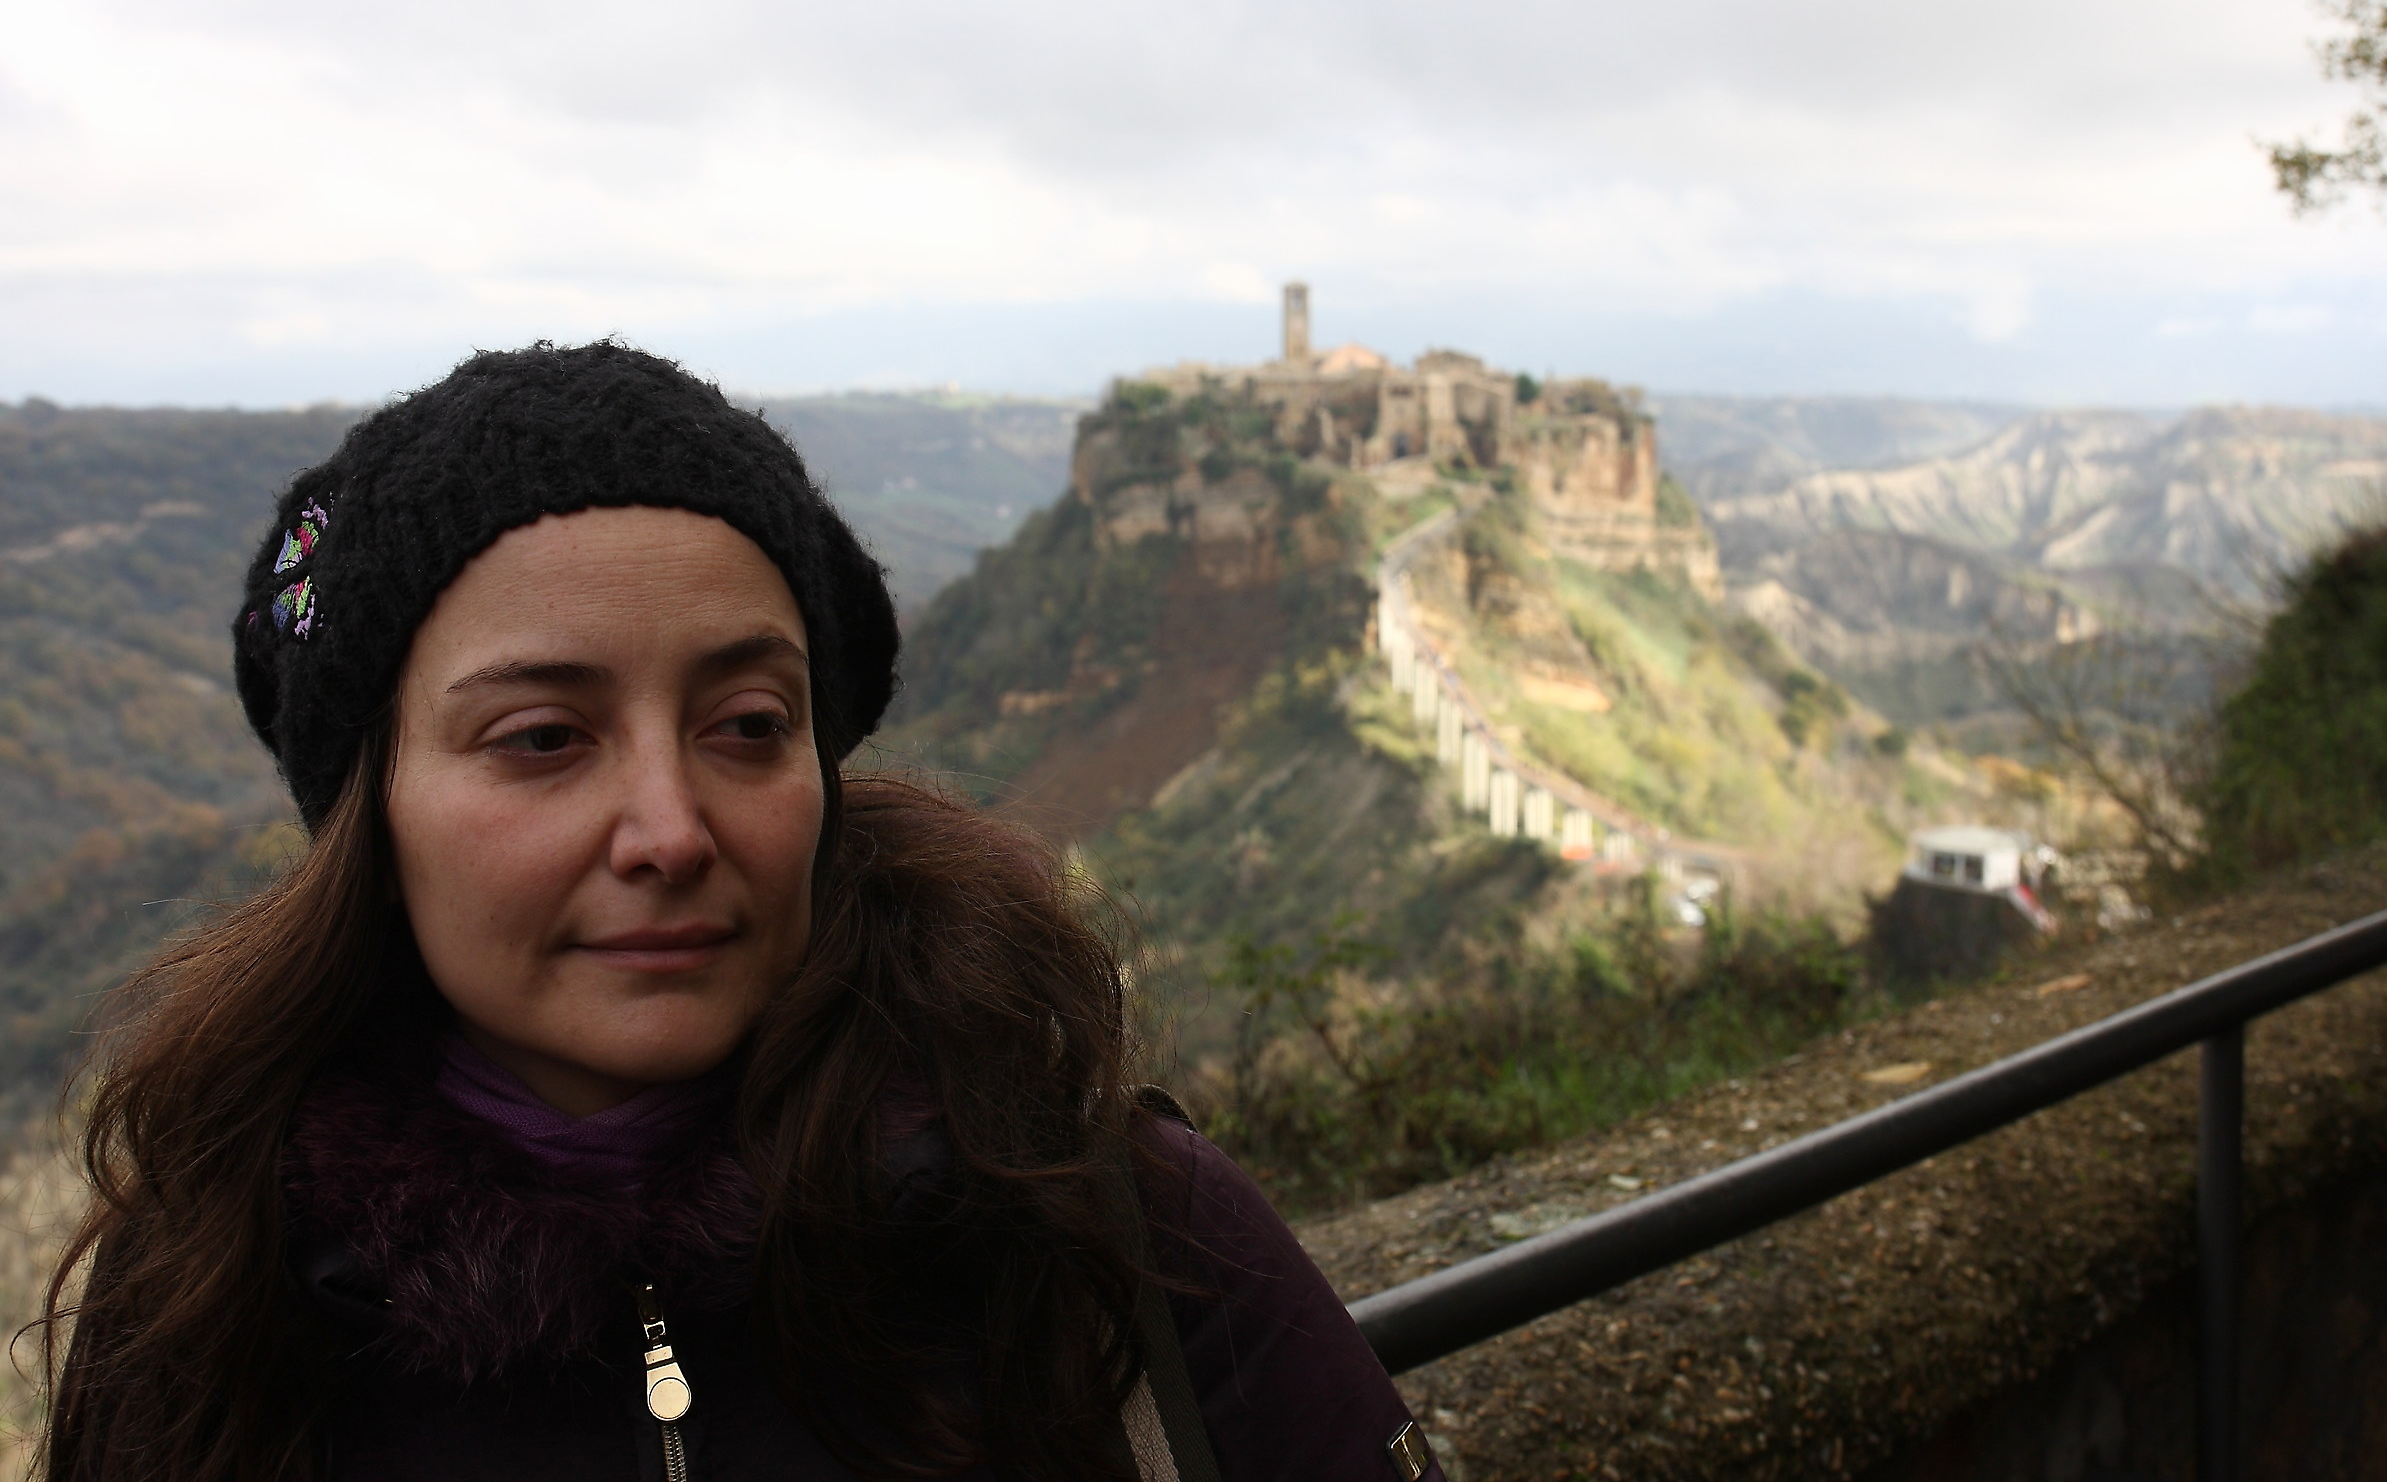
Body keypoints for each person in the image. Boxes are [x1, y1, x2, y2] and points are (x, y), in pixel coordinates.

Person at [39, 342, 1445, 1482]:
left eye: (750, 723)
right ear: (373, 805)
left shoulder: (1118, 1242)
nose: (670, 830)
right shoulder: (202, 1307)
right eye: (542, 737)